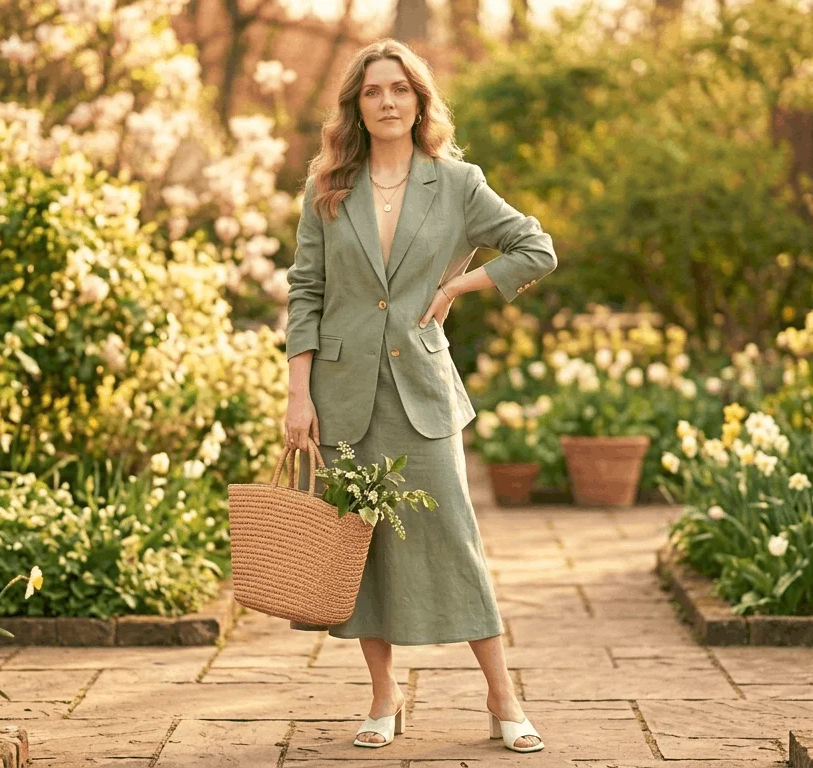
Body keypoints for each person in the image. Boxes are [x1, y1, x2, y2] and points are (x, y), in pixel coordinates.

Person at [280, 38, 558, 754]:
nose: (387, 102)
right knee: (359, 550)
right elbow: (305, 291)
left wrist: (463, 283)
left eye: (399, 89)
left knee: (455, 542)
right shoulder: (326, 189)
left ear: (420, 100)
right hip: (342, 394)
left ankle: (502, 698)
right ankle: (383, 696)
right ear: (357, 105)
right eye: (373, 91)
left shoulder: (457, 182)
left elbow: (536, 247)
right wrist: (297, 394)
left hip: (422, 395)